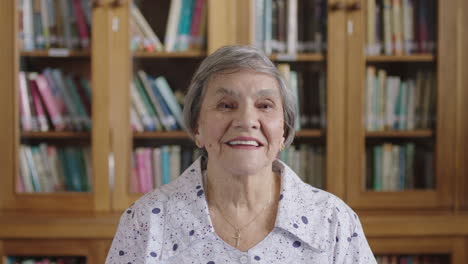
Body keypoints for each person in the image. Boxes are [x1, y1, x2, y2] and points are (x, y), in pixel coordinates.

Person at [105, 45, 377, 263]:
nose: (247, 120)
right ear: (196, 127)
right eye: (226, 105)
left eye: (265, 105)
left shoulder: (334, 221)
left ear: (283, 130)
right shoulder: (146, 222)